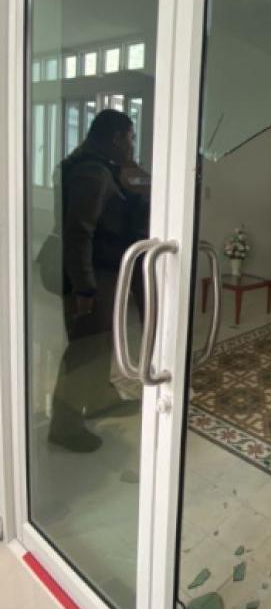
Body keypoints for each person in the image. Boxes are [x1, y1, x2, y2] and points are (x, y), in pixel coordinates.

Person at [48, 110, 150, 453]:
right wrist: (85, 288)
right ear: (117, 138)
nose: (132, 145)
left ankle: (98, 400)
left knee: (101, 342)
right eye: (131, 138)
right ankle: (64, 426)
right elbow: (79, 233)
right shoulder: (93, 172)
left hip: (100, 271)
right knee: (84, 350)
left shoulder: (93, 164)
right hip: (91, 274)